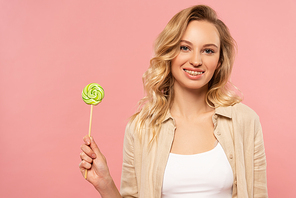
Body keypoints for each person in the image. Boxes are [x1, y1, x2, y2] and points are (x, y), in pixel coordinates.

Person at [79, 5, 268, 198]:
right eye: (184, 47)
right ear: (169, 54)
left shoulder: (245, 121)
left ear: (219, 61)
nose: (196, 60)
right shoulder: (141, 127)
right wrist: (104, 183)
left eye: (208, 51)